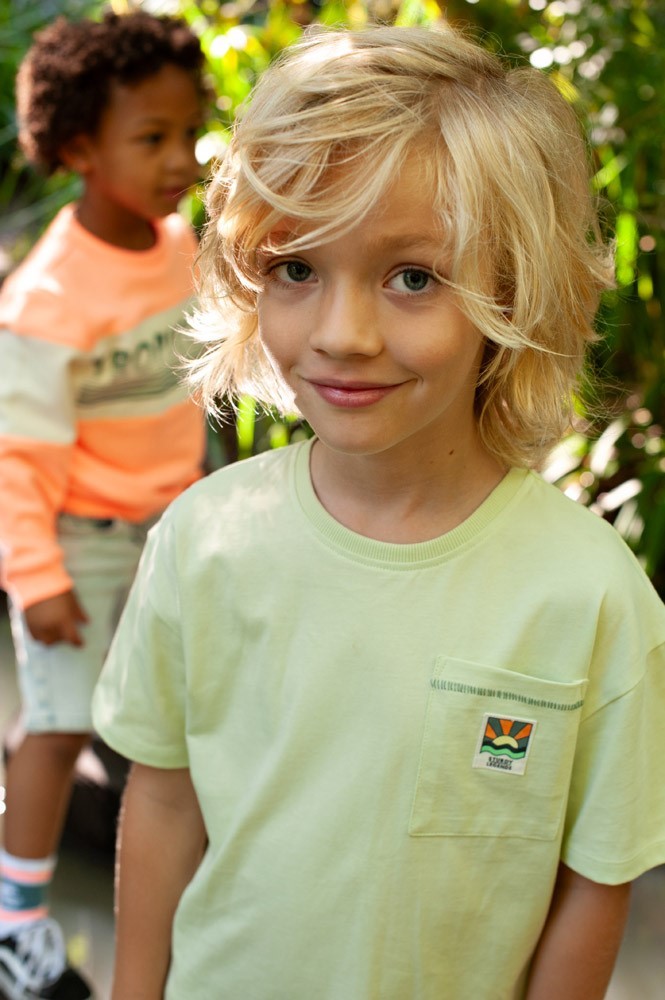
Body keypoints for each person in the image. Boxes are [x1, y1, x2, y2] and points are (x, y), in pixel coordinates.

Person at [93, 21, 665, 1000]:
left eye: (410, 277)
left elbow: (590, 882)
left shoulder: (591, 597)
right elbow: (161, 797)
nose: (340, 335)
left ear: (511, 288)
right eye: (294, 269)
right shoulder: (205, 539)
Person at [0, 10, 208, 999]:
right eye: (153, 137)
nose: (181, 159)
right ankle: (15, 918)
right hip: (75, 539)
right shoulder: (45, 305)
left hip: (172, 524)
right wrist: (36, 580)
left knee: (178, 712)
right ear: (80, 147)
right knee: (59, 723)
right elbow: (14, 464)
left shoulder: (179, 244)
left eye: (188, 132)